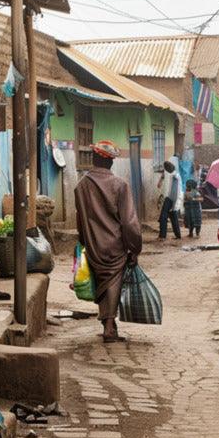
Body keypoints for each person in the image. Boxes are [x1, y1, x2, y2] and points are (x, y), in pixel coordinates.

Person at [74, 140, 143, 343]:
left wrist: (83, 241)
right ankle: (110, 326)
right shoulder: (119, 185)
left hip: (92, 244)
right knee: (113, 282)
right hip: (115, 245)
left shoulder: (81, 186)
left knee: (102, 282)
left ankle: (107, 322)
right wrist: (135, 248)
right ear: (111, 163)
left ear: (93, 159)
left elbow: (80, 219)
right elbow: (129, 223)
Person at [157, 159, 182, 240]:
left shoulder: (174, 176)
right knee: (173, 217)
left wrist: (173, 203)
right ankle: (178, 235)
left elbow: (174, 190)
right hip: (173, 199)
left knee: (163, 217)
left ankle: (162, 236)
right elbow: (159, 185)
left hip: (170, 199)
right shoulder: (174, 174)